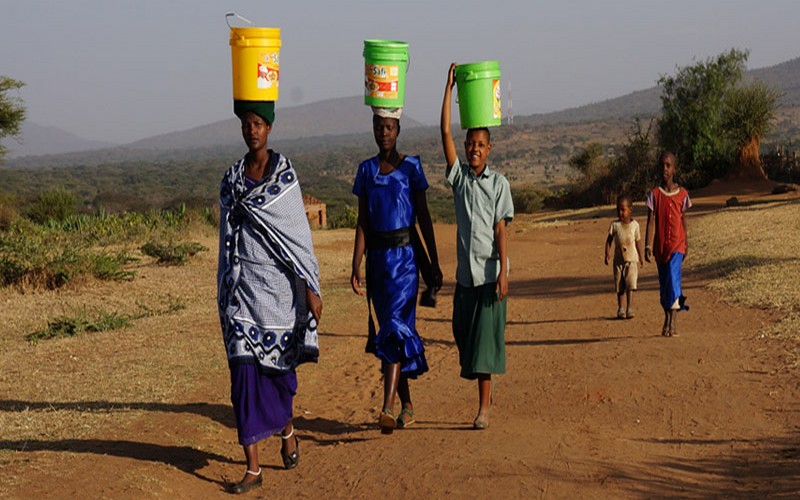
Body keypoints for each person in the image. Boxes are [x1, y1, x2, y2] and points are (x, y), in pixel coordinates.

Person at [217, 101, 323, 494]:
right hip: (241, 295)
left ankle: (287, 428)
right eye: (247, 124)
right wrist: (226, 288)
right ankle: (253, 468)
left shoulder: (284, 176)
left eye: (258, 123)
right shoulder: (230, 179)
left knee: (279, 378)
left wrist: (311, 285)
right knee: (243, 379)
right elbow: (226, 240)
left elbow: (298, 238)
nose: (252, 131)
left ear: (269, 128)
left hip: (279, 295)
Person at [351, 107, 442, 434]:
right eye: (379, 126)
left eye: (389, 127)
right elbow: (362, 221)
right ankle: (407, 406)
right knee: (393, 336)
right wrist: (356, 263)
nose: (384, 132)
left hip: (405, 263)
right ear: (374, 128)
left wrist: (433, 263)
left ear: (398, 128)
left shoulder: (412, 167)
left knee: (393, 327)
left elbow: (425, 217)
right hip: (378, 265)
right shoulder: (365, 171)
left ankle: (387, 406)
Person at [440, 63, 514, 430]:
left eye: (481, 145)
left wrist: (504, 271)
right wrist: (449, 90)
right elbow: (444, 135)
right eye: (471, 144)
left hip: (488, 275)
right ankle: (486, 393)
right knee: (463, 337)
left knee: (484, 347)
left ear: (490, 148)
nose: (474, 149)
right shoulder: (461, 181)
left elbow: (501, 230)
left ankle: (483, 407)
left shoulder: (499, 184)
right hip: (465, 278)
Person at [644, 151, 691, 337]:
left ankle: (673, 322)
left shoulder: (683, 195)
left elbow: (684, 221)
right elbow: (650, 221)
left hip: (677, 245)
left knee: (673, 280)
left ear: (674, 169)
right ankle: (666, 318)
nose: (665, 169)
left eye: (668, 165)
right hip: (660, 247)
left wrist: (686, 243)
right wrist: (648, 245)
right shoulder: (654, 195)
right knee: (664, 285)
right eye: (662, 165)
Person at [604, 194, 644, 319]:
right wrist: (607, 254)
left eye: (623, 210)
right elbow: (609, 240)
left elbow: (638, 241)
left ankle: (629, 307)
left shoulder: (635, 225)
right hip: (618, 260)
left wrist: (641, 257)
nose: (620, 213)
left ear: (630, 209)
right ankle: (621, 308)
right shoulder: (615, 225)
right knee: (619, 285)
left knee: (630, 284)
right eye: (618, 210)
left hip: (632, 260)